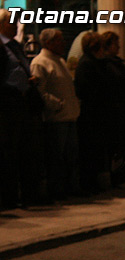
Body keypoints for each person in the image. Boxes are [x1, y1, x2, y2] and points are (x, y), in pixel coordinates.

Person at [0, 8, 48, 208]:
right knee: (7, 151)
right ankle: (9, 197)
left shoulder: (15, 46)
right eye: (11, 22)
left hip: (23, 102)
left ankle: (27, 193)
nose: (15, 26)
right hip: (6, 103)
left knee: (26, 150)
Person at [30, 28, 82, 200]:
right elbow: (40, 91)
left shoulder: (59, 60)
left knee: (70, 157)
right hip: (56, 119)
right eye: (59, 40)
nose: (63, 43)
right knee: (56, 157)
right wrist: (57, 105)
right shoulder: (41, 63)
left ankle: (70, 188)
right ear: (48, 43)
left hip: (69, 115)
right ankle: (57, 190)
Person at [74, 31, 110, 193]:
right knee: (89, 151)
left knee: (94, 151)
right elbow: (87, 90)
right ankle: (88, 183)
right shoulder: (87, 64)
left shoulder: (94, 63)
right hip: (91, 115)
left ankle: (93, 182)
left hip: (96, 114)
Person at [102, 31, 125, 187]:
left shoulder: (117, 64)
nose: (118, 47)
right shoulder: (108, 66)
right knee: (116, 146)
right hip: (116, 112)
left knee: (123, 146)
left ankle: (122, 174)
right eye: (115, 44)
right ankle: (117, 176)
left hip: (123, 111)